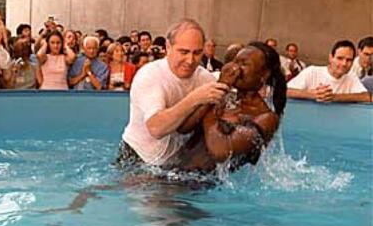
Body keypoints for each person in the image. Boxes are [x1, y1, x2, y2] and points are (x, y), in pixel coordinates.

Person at [119, 18, 228, 167]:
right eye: (183, 52)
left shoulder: (205, 78)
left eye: (197, 53)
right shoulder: (150, 75)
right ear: (168, 47)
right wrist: (195, 98)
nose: (190, 60)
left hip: (176, 161)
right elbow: (156, 128)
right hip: (138, 157)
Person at [170, 41, 287, 172]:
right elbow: (183, 127)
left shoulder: (266, 118)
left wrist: (213, 110)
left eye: (244, 64)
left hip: (200, 184)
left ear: (264, 74)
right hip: (173, 170)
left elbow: (220, 152)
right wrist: (219, 90)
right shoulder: (225, 97)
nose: (235, 69)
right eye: (235, 62)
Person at [287, 40, 371, 103]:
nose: (344, 63)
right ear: (331, 57)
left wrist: (333, 97)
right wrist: (313, 94)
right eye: (340, 58)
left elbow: (366, 97)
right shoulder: (312, 72)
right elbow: (285, 91)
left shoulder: (351, 77)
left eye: (349, 60)